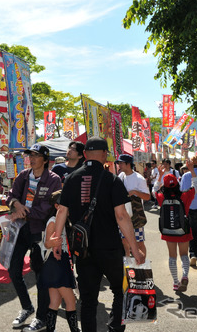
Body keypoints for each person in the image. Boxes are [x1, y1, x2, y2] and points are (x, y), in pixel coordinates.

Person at [51, 137, 145, 332]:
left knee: (87, 301)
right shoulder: (112, 180)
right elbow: (121, 216)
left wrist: (56, 241)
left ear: (85, 154)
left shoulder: (71, 178)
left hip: (82, 249)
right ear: (104, 154)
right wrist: (135, 249)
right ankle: (115, 329)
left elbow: (61, 211)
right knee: (121, 291)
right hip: (109, 247)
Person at [6, 143, 61, 332]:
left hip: (41, 232)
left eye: (36, 155)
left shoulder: (54, 179)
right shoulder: (23, 175)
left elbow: (48, 207)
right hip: (20, 229)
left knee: (41, 276)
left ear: (45, 160)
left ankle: (41, 317)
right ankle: (26, 307)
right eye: (30, 155)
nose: (32, 158)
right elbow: (11, 196)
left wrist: (24, 211)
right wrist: (15, 204)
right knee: (13, 270)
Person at [39, 190, 78, 332]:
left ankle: (50, 329)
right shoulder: (53, 221)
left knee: (55, 301)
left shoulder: (60, 220)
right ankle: (75, 330)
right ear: (56, 206)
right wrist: (54, 243)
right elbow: (47, 243)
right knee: (70, 300)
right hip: (56, 264)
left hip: (55, 264)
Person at [156, 160, 197, 293]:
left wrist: (160, 176)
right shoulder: (185, 196)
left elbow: (154, 189)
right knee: (184, 255)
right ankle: (184, 276)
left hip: (168, 231)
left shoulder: (161, 197)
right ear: (177, 183)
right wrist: (191, 170)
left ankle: (175, 282)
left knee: (172, 256)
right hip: (183, 230)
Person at [116, 154, 150, 258]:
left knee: (139, 242)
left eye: (121, 163)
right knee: (124, 241)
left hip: (136, 215)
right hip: (123, 214)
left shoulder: (139, 178)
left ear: (128, 164)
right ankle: (128, 262)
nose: (119, 165)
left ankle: (143, 263)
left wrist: (135, 192)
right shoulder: (120, 176)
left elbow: (148, 197)